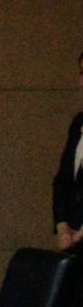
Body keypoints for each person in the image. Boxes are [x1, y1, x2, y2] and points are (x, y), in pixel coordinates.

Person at [54, 49, 83, 253]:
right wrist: (62, 224)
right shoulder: (78, 123)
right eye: (82, 73)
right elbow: (62, 180)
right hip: (75, 242)